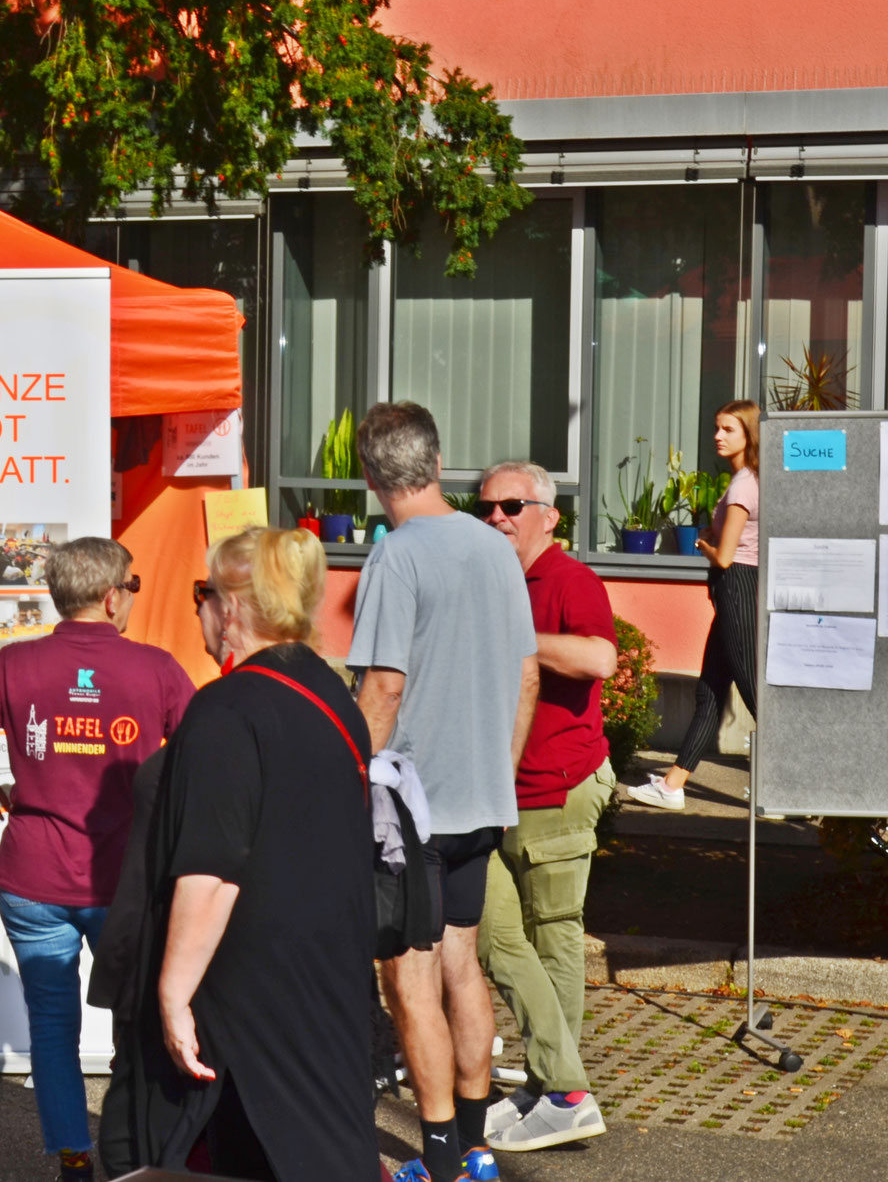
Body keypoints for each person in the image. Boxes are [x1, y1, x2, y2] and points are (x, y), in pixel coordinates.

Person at [95, 528, 375, 1179]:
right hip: (320, 971)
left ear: (234, 608)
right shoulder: (331, 696)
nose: (198, 607)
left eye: (203, 592)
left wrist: (172, 993)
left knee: (148, 1150)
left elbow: (212, 869)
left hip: (239, 986)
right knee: (295, 1144)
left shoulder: (225, 710)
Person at [0, 536, 194, 1180]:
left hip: (32, 877)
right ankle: (136, 1152)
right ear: (109, 597)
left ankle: (73, 1158)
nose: (132, 597)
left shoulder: (17, 663)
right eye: (131, 586)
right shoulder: (156, 669)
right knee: (139, 1021)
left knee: (52, 1027)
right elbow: (197, 759)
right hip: (121, 884)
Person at [348, 402, 539, 1182]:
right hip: (483, 798)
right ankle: (475, 1145)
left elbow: (383, 688)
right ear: (435, 461)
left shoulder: (395, 556)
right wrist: (502, 765)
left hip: (410, 810)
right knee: (463, 963)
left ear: (369, 475)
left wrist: (344, 780)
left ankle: (434, 1156)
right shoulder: (496, 547)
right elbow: (527, 674)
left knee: (409, 974)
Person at [469, 462, 616, 1151]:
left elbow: (599, 658)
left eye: (511, 505)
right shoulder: (495, 579)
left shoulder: (567, 579)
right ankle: (551, 1082)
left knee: (551, 935)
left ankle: (560, 1089)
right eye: (487, 507)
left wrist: (518, 644)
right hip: (500, 788)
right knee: (504, 936)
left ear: (549, 516)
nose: (496, 516)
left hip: (556, 786)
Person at [627, 401, 760, 811]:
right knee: (709, 691)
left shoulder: (741, 486)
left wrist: (704, 544)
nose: (717, 435)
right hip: (738, 590)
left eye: (728, 430)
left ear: (748, 435)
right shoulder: (748, 479)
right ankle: (672, 784)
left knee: (757, 694)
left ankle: (803, 780)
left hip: (735, 586)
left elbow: (724, 558)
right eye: (717, 427)